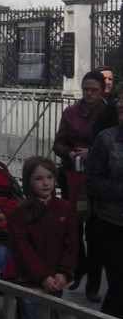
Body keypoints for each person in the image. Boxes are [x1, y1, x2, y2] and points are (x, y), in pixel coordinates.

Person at [9, 156, 78, 319]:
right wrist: (43, 277)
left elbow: (71, 244)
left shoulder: (64, 209)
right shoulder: (20, 212)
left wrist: (63, 272)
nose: (45, 183)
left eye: (49, 177)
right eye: (39, 179)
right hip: (31, 281)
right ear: (29, 182)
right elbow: (23, 249)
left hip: (56, 281)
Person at [52, 69, 107, 301]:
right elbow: (58, 143)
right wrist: (71, 153)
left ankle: (93, 284)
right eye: (86, 89)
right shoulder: (71, 112)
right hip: (72, 176)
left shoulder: (109, 113)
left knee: (95, 231)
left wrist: (92, 152)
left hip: (98, 178)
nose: (89, 94)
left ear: (103, 91)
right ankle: (78, 266)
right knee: (73, 226)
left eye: (94, 90)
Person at [85, 85, 123, 319]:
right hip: (111, 226)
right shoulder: (106, 139)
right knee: (119, 290)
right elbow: (93, 184)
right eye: (121, 102)